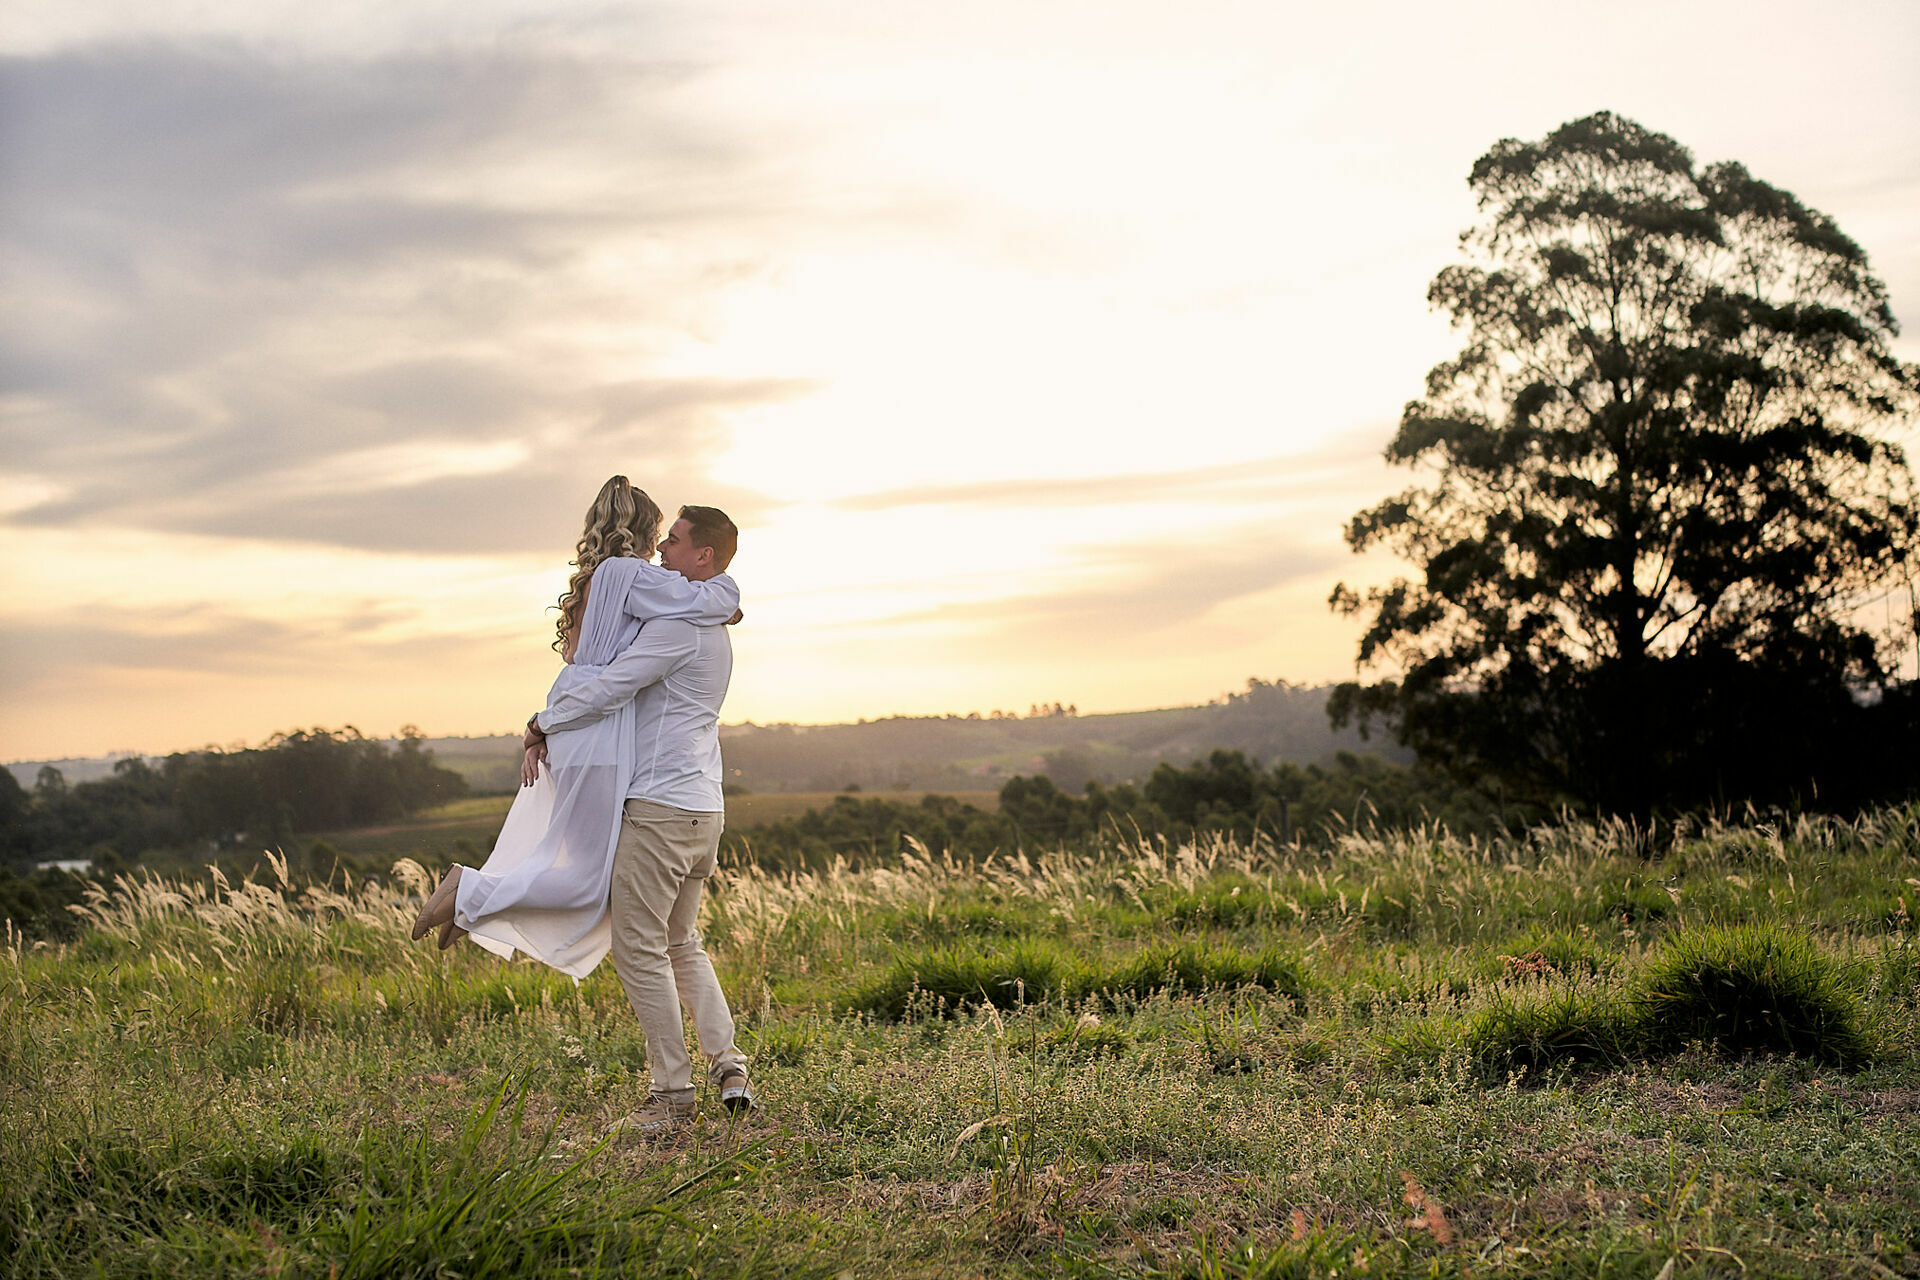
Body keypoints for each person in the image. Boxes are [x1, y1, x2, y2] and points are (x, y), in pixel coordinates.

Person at [409, 477, 739, 976]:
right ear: (642, 530)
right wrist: (732, 606)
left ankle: (473, 899)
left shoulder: (597, 578)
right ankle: (469, 893)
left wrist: (546, 726)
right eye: (662, 536)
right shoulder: (631, 574)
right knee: (588, 884)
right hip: (596, 730)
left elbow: (578, 662)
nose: (663, 549)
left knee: (583, 874)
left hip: (575, 720)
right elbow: (712, 601)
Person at [523, 505, 751, 1131]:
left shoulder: (678, 629)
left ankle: (671, 1095)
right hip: (704, 805)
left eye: (674, 542)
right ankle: (727, 1065)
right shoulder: (709, 623)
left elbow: (609, 686)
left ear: (702, 556)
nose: (661, 553)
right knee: (681, 941)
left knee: (639, 948)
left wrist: (543, 723)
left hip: (660, 808)